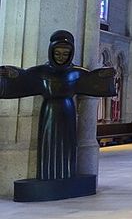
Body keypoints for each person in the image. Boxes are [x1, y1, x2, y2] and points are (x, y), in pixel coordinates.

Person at [0, 30, 116, 181]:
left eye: (65, 54)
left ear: (70, 54)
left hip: (67, 111)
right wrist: (10, 75)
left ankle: (67, 174)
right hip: (49, 111)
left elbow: (91, 79)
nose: (61, 57)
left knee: (67, 144)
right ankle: (47, 175)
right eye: (58, 53)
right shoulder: (42, 72)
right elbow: (25, 77)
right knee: (48, 142)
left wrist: (105, 75)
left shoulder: (74, 72)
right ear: (51, 51)